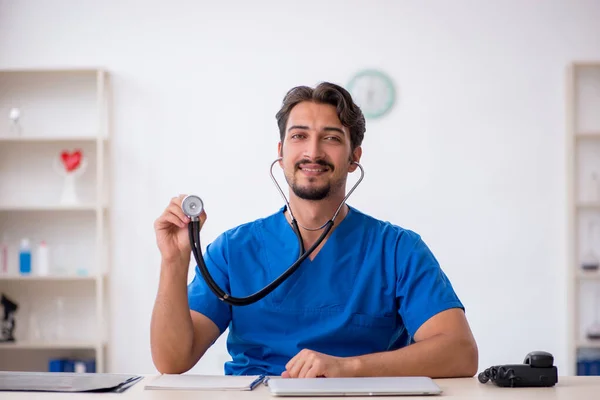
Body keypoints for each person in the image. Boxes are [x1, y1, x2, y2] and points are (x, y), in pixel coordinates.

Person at [150, 82, 478, 378]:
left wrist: (349, 367)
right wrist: (174, 263)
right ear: (281, 153)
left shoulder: (396, 249)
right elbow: (172, 361)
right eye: (299, 136)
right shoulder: (234, 250)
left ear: (354, 157)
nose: (313, 152)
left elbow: (460, 353)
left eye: (331, 138)